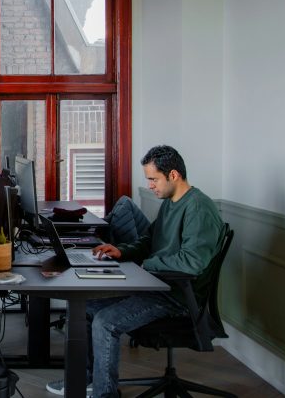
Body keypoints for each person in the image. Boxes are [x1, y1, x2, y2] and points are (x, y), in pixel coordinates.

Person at [46, 145, 225, 398]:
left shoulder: (199, 208)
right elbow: (149, 240)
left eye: (153, 179)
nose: (150, 185)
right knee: (84, 308)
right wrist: (122, 251)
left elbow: (192, 262)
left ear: (173, 175)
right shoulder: (171, 202)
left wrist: (147, 265)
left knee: (105, 323)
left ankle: (104, 394)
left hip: (177, 298)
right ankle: (86, 379)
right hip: (158, 287)